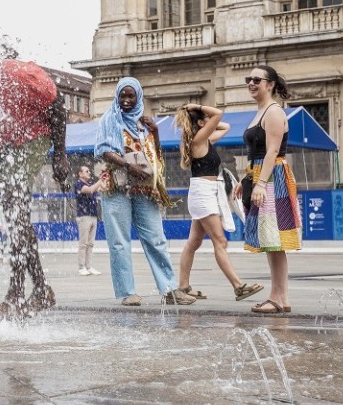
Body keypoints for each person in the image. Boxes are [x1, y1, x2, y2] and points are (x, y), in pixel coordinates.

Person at [0, 26, 70, 319]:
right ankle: (41, 290)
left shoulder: (12, 73)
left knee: (15, 210)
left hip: (34, 137)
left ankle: (16, 294)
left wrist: (60, 156)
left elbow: (57, 104)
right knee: (14, 217)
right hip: (5, 147)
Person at [95, 77, 195, 306]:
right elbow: (103, 151)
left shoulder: (143, 123)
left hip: (145, 189)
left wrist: (156, 132)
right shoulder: (109, 120)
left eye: (131, 96)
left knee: (156, 238)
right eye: (123, 95)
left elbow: (156, 156)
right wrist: (128, 166)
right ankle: (127, 293)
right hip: (117, 187)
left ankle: (170, 289)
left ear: (139, 97)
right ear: (117, 97)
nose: (127, 100)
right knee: (119, 242)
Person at [175, 103, 264, 301]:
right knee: (220, 241)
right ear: (200, 123)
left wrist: (201, 119)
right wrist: (197, 107)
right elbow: (219, 115)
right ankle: (238, 286)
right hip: (203, 194)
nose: (210, 121)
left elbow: (225, 126)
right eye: (205, 120)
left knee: (194, 242)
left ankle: (183, 287)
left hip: (205, 193)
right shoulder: (198, 139)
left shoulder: (202, 139)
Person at [234, 65, 302, 314]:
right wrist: (245, 179)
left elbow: (272, 152)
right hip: (262, 175)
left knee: (274, 240)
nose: (251, 83)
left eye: (257, 80)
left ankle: (277, 297)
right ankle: (281, 298)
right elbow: (258, 154)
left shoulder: (273, 112)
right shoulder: (260, 111)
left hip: (273, 179)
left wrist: (261, 183)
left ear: (270, 84)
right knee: (272, 240)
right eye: (248, 79)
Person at [75, 165, 102, 276]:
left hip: (93, 216)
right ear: (80, 174)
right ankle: (81, 267)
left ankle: (88, 266)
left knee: (90, 244)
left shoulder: (90, 184)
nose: (89, 173)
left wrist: (105, 180)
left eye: (89, 171)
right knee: (83, 243)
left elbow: (99, 188)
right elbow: (90, 190)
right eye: (86, 171)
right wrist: (101, 180)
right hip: (84, 216)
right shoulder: (78, 184)